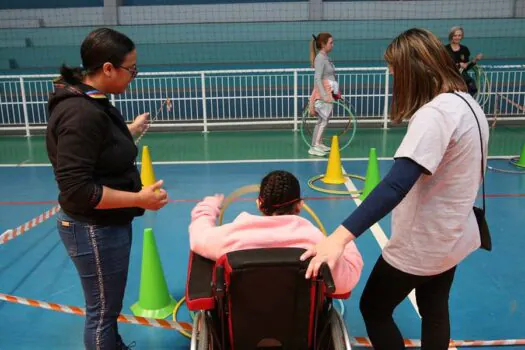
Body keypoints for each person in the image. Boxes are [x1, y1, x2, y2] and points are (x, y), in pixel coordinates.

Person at [301, 28, 489, 349]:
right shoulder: (468, 105)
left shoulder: (436, 114)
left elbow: (396, 184)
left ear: (416, 68)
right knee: (434, 309)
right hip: (453, 235)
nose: (393, 77)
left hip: (423, 243)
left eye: (396, 70)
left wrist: (339, 238)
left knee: (374, 308)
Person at [46, 28, 169, 350]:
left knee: (107, 309)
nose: (134, 76)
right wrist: (140, 199)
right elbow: (78, 190)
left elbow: (98, 147)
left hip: (106, 225)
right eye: (131, 69)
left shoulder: (91, 102)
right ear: (108, 68)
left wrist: (128, 130)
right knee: (102, 314)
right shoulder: (80, 112)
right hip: (93, 228)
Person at [189, 170, 363, 295]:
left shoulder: (232, 236)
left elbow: (199, 237)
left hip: (244, 320)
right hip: (298, 323)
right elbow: (345, 283)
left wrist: (209, 207)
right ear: (299, 206)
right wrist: (343, 241)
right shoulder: (314, 241)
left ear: (259, 204)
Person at [308, 32, 340, 157]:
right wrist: (324, 95)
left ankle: (319, 143)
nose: (333, 45)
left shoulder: (325, 57)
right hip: (324, 92)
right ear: (323, 44)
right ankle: (314, 146)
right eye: (331, 43)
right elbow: (317, 78)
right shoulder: (320, 58)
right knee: (323, 120)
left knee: (323, 119)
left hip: (328, 91)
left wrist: (335, 93)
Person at [445, 26, 483, 96]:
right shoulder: (445, 49)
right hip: (450, 77)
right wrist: (459, 65)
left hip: (463, 78)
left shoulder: (464, 49)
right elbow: (444, 66)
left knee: (472, 88)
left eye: (459, 35)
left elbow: (466, 67)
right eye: (455, 35)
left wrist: (475, 60)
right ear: (451, 36)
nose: (457, 37)